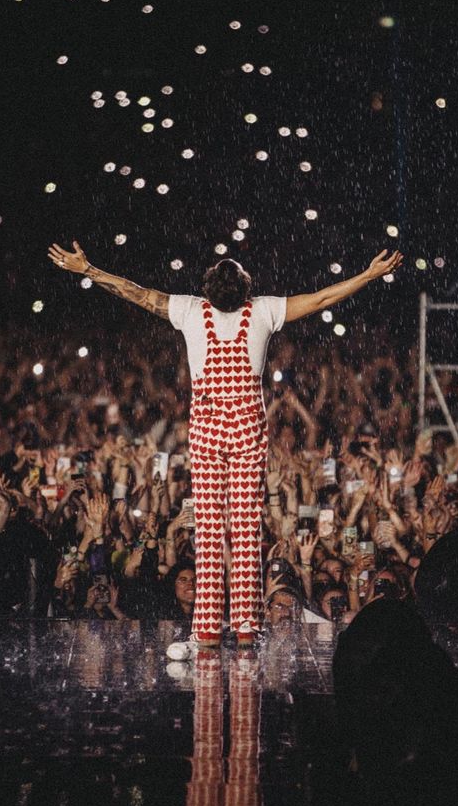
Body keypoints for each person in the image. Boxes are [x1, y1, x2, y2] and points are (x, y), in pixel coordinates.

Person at [48, 240, 402, 645]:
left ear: (208, 287)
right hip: (247, 425)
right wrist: (368, 275)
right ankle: (247, 627)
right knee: (246, 528)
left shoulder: (190, 309)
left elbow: (136, 292)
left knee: (212, 529)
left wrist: (91, 269)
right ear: (246, 287)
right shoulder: (264, 309)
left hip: (208, 423)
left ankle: (208, 628)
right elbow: (322, 296)